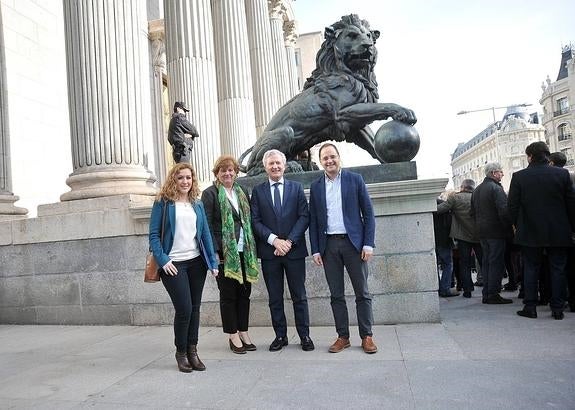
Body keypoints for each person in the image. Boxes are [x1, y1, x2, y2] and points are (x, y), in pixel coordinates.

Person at [149, 163, 219, 372]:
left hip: (196, 263)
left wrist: (213, 263)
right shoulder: (163, 203)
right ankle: (181, 353)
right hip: (173, 265)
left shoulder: (196, 204)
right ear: (174, 179)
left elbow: (205, 233)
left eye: (188, 178)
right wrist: (164, 260)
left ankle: (193, 351)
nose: (185, 182)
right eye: (181, 178)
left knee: (195, 309)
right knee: (184, 309)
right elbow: (153, 235)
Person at [309, 143, 378, 354]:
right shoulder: (316, 186)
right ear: (321, 162)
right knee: (336, 294)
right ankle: (343, 337)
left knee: (362, 292)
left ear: (339, 158)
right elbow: (314, 220)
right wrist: (316, 250)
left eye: (332, 157)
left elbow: (368, 213)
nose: (329, 161)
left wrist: (368, 243)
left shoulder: (354, 180)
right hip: (329, 245)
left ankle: (367, 336)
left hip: (354, 244)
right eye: (325, 158)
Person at [250, 149, 314, 352]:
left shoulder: (296, 188)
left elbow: (304, 216)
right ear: (266, 167)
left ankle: (304, 335)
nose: (275, 167)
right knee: (275, 298)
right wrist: (274, 240)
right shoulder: (258, 192)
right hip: (270, 253)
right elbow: (255, 221)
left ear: (284, 166)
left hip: (294, 252)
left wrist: (288, 242)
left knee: (299, 296)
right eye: (271, 164)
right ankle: (280, 336)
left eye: (278, 163)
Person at [201, 155, 259, 354]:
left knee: (245, 294)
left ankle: (243, 331)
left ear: (236, 172)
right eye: (223, 170)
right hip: (225, 252)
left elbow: (247, 221)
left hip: (245, 250)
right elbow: (206, 225)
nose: (227, 173)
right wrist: (214, 252)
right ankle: (232, 334)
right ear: (217, 173)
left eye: (231, 170)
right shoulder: (209, 194)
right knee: (228, 295)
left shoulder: (241, 191)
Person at [510, 142, 575, 320]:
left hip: (529, 230)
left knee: (531, 268)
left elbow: (512, 207)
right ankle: (558, 309)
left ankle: (530, 307)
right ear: (547, 155)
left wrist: (516, 226)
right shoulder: (562, 174)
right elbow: (571, 204)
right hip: (559, 230)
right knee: (558, 269)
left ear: (529, 156)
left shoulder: (519, 176)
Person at [471, 163, 514, 304]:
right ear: (494, 173)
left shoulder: (477, 190)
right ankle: (493, 294)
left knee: (487, 262)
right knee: (496, 262)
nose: (502, 174)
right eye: (501, 172)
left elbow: (472, 213)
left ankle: (487, 293)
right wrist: (509, 228)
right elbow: (503, 211)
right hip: (496, 232)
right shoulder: (496, 188)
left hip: (482, 232)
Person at [437, 179, 482, 298]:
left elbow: (441, 209)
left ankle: (467, 290)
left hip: (462, 236)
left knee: (464, 264)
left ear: (462, 187)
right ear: (473, 187)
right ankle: (488, 289)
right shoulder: (478, 197)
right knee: (483, 263)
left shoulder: (454, 198)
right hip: (479, 235)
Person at [433, 197, 459, 297]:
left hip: (432, 240)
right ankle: (445, 289)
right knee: (448, 264)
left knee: (434, 265)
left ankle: (438, 288)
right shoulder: (445, 207)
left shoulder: (427, 207)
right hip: (444, 240)